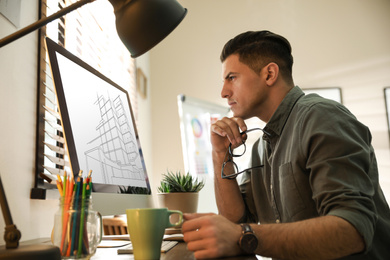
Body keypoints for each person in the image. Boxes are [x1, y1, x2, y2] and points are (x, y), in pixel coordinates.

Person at [181, 30, 390, 260]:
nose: (223, 92)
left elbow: (353, 230)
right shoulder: (261, 147)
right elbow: (236, 221)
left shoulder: (321, 117)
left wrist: (244, 234)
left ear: (269, 74)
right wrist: (220, 153)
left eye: (232, 78)